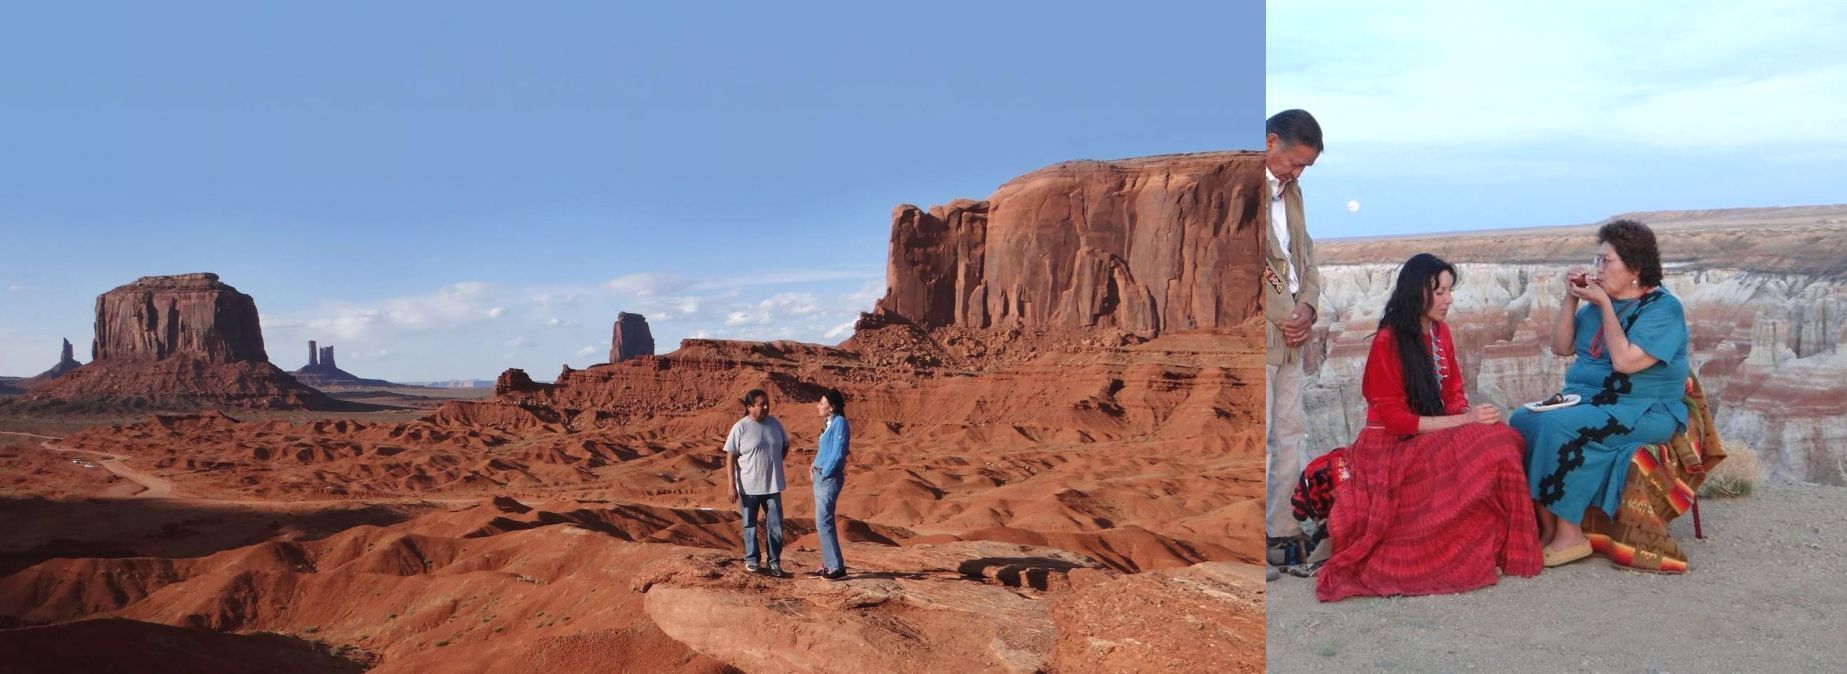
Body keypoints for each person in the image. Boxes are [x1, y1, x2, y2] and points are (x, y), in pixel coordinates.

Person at [1315, 253, 1542, 602]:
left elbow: (1452, 393)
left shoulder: (1441, 333)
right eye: (1439, 292)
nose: (1448, 299)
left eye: (1449, 291)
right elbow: (1394, 420)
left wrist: (1471, 417)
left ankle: (1499, 546)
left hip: (1432, 432)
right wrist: (1464, 422)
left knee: (1503, 436)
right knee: (1488, 446)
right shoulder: (1387, 341)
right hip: (1390, 446)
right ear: (1415, 292)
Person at [1511, 219, 1690, 567]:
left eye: (1606, 262)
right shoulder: (1598, 303)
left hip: (1643, 409)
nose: (1598, 269)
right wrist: (1570, 299)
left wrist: (1606, 306)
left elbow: (1624, 361)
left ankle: (1570, 535)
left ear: (1635, 268)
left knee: (1559, 427)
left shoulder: (1663, 309)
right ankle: (1547, 528)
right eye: (1597, 261)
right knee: (1523, 419)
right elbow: (1561, 347)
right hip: (1590, 401)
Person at [1264, 108, 1325, 574]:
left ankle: (1281, 529)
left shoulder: (1292, 194)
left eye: (1305, 166)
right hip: (1262, 336)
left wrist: (1308, 306)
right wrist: (1288, 313)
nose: (1298, 172)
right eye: (1296, 162)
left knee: (1289, 433)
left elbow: (1304, 253)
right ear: (1270, 143)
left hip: (1290, 337)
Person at [724, 388, 789, 577]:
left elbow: (785, 445)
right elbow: (730, 457)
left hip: (773, 485)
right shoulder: (740, 427)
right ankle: (752, 560)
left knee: (775, 526)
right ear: (750, 407)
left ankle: (774, 562)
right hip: (748, 487)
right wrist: (731, 485)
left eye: (768, 403)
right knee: (749, 525)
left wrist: (774, 462)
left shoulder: (775, 424)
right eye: (762, 404)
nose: (766, 407)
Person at [809, 388, 851, 580]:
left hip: (828, 478)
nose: (818, 406)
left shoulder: (840, 423)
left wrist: (824, 472)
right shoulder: (830, 423)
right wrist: (814, 465)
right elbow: (825, 449)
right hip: (820, 476)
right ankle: (828, 563)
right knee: (822, 522)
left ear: (832, 407)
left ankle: (836, 567)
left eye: (822, 403)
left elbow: (838, 453)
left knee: (823, 522)